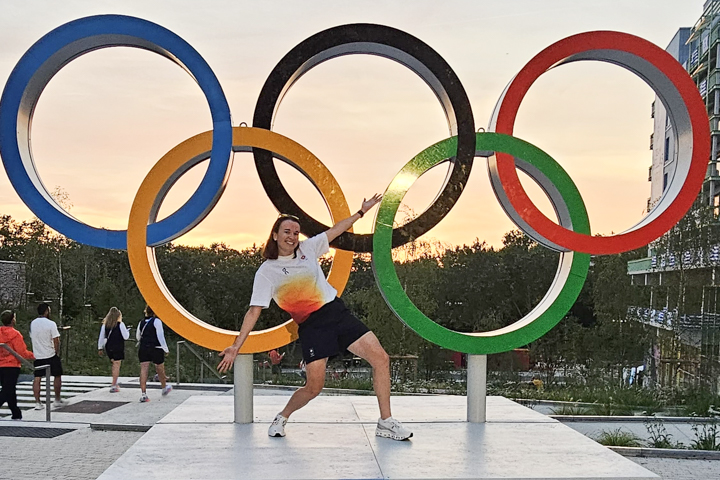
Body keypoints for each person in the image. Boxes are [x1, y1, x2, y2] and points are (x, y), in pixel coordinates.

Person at [218, 195, 413, 441]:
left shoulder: (307, 249)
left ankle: (386, 422)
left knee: (381, 359)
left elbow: (335, 231)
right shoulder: (267, 271)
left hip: (336, 313)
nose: (292, 236)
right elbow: (254, 311)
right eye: (287, 231)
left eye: (296, 232)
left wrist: (361, 213)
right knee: (314, 387)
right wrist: (236, 346)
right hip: (312, 327)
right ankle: (283, 416)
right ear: (275, 235)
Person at [0, 310, 34, 419]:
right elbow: (22, 352)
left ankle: (16, 412)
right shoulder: (15, 334)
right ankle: (15, 412)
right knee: (7, 390)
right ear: (12, 320)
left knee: (9, 389)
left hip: (0, 365)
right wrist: (35, 355)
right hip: (12, 365)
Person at [30, 303, 64, 409]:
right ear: (46, 311)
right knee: (57, 376)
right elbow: (56, 339)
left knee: (37, 378)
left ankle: (37, 402)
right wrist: (56, 351)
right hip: (50, 354)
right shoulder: (51, 324)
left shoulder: (33, 323)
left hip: (38, 354)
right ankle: (57, 399)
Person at [137, 305, 171, 402]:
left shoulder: (141, 323)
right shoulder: (157, 321)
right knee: (160, 369)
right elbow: (160, 337)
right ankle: (164, 388)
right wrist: (166, 349)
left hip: (143, 348)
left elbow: (138, 337)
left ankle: (143, 394)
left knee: (144, 370)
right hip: (156, 348)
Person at [97, 307, 129, 393]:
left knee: (114, 364)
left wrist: (100, 347)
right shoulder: (120, 324)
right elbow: (126, 336)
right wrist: (127, 331)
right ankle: (114, 384)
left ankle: (114, 382)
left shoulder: (105, 325)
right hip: (118, 346)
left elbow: (101, 336)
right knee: (116, 365)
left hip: (109, 346)